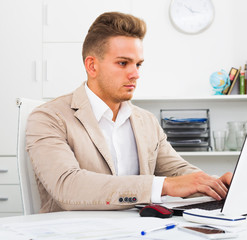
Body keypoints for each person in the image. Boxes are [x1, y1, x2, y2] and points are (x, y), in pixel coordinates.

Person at [26, 12, 232, 213]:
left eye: (138, 64)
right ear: (92, 66)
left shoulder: (146, 121)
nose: (135, 74)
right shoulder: (49, 117)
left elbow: (177, 172)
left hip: (136, 230)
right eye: (123, 63)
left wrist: (214, 184)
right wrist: (162, 186)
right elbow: (67, 186)